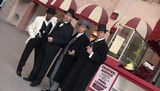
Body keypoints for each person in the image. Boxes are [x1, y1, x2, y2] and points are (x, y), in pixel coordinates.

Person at [23, 9, 75, 87]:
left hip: (52, 50)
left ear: (71, 18)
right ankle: (31, 77)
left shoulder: (70, 28)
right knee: (38, 63)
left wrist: (54, 40)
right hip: (45, 45)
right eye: (66, 14)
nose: (67, 16)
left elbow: (65, 40)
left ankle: (37, 81)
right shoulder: (59, 22)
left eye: (69, 16)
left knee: (44, 66)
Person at [42, 20, 90, 91]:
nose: (81, 28)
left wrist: (75, 52)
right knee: (54, 71)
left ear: (86, 29)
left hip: (69, 60)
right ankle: (48, 87)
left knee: (59, 75)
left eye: (83, 27)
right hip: (63, 55)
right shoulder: (75, 34)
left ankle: (52, 89)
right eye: (80, 26)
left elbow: (82, 51)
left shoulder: (85, 39)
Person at [61, 24, 109, 91]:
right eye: (98, 31)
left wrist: (92, 54)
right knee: (70, 83)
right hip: (79, 65)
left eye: (101, 32)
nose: (99, 33)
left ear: (104, 33)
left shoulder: (104, 46)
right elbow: (83, 51)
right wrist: (75, 53)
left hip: (86, 70)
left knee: (77, 86)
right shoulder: (93, 41)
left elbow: (102, 59)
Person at [16, 8, 57, 77]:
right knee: (25, 55)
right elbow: (30, 27)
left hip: (42, 42)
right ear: (47, 13)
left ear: (53, 15)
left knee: (38, 59)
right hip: (34, 39)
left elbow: (57, 20)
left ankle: (33, 74)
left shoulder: (53, 22)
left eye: (52, 14)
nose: (50, 15)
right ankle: (19, 69)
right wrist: (33, 36)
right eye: (49, 13)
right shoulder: (39, 19)